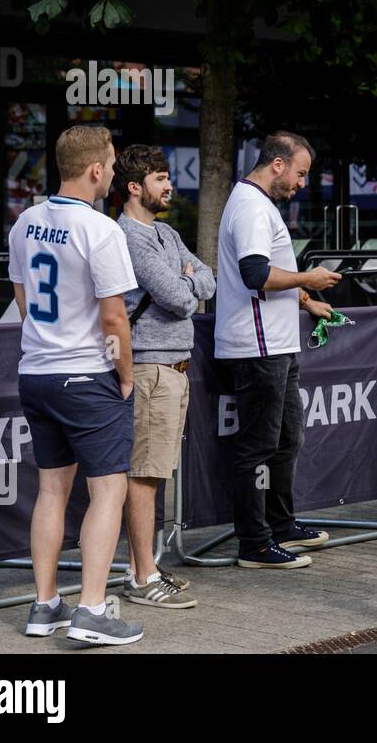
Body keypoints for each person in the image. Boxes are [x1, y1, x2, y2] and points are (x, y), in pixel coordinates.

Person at [10, 125, 144, 645]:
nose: (112, 172)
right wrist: (126, 376)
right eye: (111, 165)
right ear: (95, 170)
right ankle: (91, 609)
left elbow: (23, 299)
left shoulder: (25, 223)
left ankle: (44, 605)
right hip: (86, 375)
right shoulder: (100, 230)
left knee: (50, 491)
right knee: (107, 491)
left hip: (37, 371)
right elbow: (115, 319)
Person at [215, 131, 341, 569]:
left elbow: (264, 272)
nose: (302, 184)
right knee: (258, 445)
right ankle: (254, 543)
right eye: (300, 173)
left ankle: (281, 524)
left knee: (288, 438)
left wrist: (306, 300)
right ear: (277, 165)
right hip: (257, 345)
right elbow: (254, 273)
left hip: (275, 342)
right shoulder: (250, 205)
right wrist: (308, 280)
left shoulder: (256, 203)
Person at [114, 145, 215, 609]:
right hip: (151, 367)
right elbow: (179, 298)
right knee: (144, 476)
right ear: (135, 187)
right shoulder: (129, 237)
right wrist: (188, 279)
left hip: (175, 367)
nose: (169, 185)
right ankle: (142, 577)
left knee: (154, 474)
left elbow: (207, 281)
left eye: (167, 176)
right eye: (159, 178)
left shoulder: (168, 233)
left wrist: (191, 279)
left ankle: (147, 567)